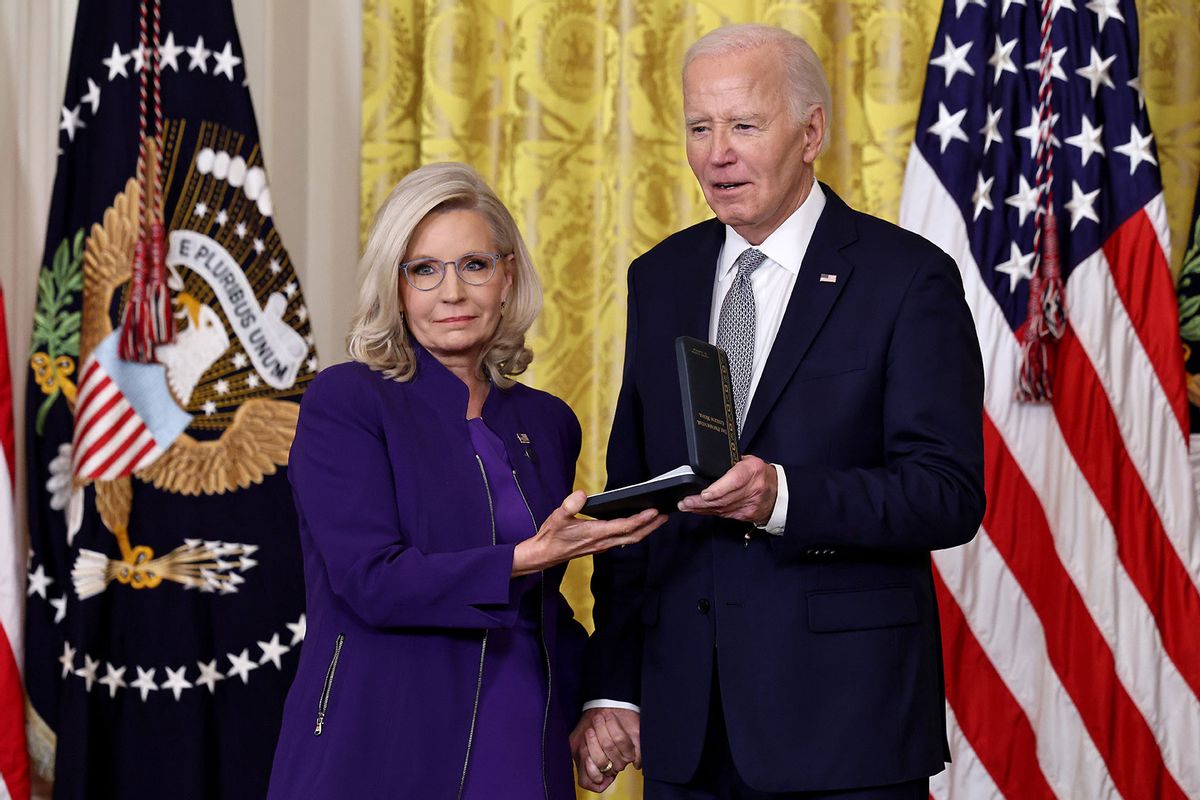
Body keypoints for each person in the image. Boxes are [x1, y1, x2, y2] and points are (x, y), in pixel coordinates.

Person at [571, 24, 985, 799]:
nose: (716, 152)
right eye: (700, 127)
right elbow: (636, 500)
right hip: (686, 729)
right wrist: (614, 688)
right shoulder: (659, 278)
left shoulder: (906, 279)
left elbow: (946, 494)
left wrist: (782, 497)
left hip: (843, 729)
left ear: (811, 131)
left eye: (744, 125)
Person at [266, 162, 666, 799]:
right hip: (377, 740)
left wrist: (602, 705)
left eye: (474, 265)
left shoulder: (546, 421)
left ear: (507, 277)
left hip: (519, 736)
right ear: (394, 288)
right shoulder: (346, 402)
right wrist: (523, 557)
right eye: (423, 269)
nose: (451, 292)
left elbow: (542, 608)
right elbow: (371, 580)